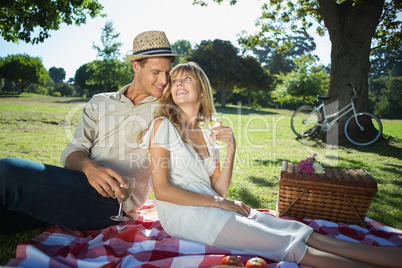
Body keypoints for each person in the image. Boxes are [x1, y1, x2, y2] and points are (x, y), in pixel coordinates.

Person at [139, 62, 402, 268]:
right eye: (174, 81)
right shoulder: (163, 126)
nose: (178, 84)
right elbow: (162, 191)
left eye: (187, 79)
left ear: (202, 90)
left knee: (299, 231)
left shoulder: (209, 135)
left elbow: (217, 190)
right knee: (290, 245)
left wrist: (231, 148)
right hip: (185, 216)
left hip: (212, 207)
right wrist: (223, 204)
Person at [0, 30, 180, 233]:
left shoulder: (169, 108)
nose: (164, 80)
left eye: (167, 72)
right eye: (156, 72)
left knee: (8, 171)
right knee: (10, 214)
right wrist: (89, 167)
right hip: (76, 186)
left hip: (114, 202)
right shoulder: (100, 101)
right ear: (136, 66)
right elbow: (74, 150)